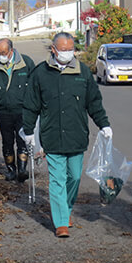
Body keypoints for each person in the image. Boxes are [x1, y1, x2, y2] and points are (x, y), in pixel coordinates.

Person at [22, 32, 112, 238]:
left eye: (70, 49)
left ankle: (66, 207)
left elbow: (94, 102)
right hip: (52, 136)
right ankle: (61, 222)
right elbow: (30, 105)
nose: (67, 53)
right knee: (57, 180)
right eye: (63, 49)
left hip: (76, 135)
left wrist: (104, 124)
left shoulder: (83, 73)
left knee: (74, 176)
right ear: (53, 49)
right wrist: (28, 132)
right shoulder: (40, 74)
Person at [0, 39, 35, 182]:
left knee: (23, 140)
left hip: (22, 110)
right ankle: (11, 170)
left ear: (11, 50)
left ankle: (22, 169)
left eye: (3, 52)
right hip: (4, 111)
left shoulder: (26, 63)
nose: (1, 55)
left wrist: (36, 105)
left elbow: (35, 85)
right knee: (7, 141)